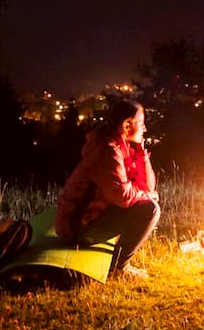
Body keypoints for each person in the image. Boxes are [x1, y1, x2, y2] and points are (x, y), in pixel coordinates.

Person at [55, 96, 161, 279]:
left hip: (91, 219)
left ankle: (117, 264)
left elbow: (148, 185)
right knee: (149, 210)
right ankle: (117, 268)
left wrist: (142, 155)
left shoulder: (123, 147)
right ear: (127, 126)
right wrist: (147, 195)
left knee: (147, 204)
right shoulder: (107, 151)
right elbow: (122, 196)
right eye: (141, 123)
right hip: (78, 228)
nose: (145, 128)